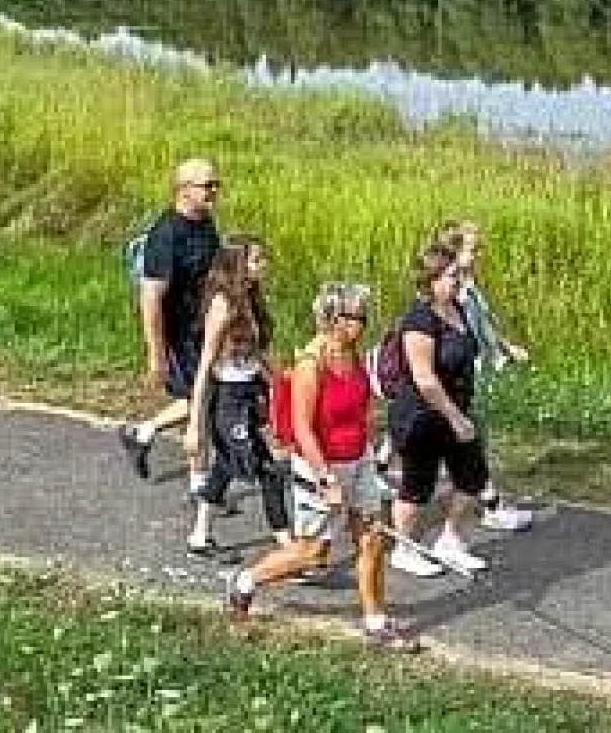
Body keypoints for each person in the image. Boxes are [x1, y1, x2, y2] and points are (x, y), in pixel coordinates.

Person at [224, 282, 421, 652]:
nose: (364, 324)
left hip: (358, 459)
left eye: (365, 317)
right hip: (321, 465)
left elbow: (362, 410)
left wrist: (371, 461)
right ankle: (246, 581)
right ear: (333, 319)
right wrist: (325, 478)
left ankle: (376, 621)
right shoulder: (310, 365)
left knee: (372, 538)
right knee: (311, 553)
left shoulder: (354, 356)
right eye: (357, 317)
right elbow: (302, 427)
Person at [385, 241, 490, 578]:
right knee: (417, 486)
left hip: (458, 408)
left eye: (458, 274)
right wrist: (455, 418)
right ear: (429, 280)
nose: (457, 281)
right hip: (422, 415)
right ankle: (403, 547)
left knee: (472, 478)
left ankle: (450, 540)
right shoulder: (419, 320)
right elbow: (424, 378)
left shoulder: (458, 310)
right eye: (449, 276)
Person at [181, 235, 290, 556]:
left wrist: (279, 382)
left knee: (227, 465)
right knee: (266, 470)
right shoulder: (222, 305)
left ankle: (200, 536)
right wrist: (194, 424)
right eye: (257, 260)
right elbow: (205, 366)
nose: (263, 266)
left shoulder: (250, 300)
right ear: (238, 265)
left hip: (250, 389)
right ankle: (285, 542)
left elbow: (257, 352)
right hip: (228, 396)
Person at [119, 158, 222, 486]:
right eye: (208, 186)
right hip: (178, 333)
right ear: (184, 190)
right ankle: (200, 484)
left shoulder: (205, 223)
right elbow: (150, 298)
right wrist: (157, 353)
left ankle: (142, 432)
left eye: (216, 184)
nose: (214, 191)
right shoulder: (166, 235)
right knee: (203, 399)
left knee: (204, 397)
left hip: (203, 327)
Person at [430, 219, 534, 533]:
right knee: (471, 439)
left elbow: (483, 326)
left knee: (458, 437)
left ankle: (384, 463)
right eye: (472, 249)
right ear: (453, 251)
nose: (478, 255)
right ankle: (489, 505)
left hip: (471, 372)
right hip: (460, 376)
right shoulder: (452, 292)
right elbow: (460, 332)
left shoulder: (468, 285)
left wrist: (504, 347)